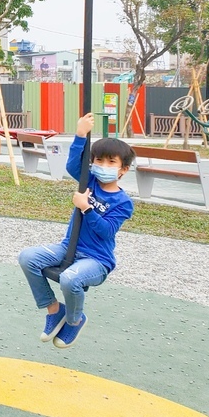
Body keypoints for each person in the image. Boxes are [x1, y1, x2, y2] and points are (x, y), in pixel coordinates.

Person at [18, 112, 135, 349]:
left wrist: (87, 208)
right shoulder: (89, 181)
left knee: (69, 279)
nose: (103, 166)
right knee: (27, 257)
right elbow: (73, 164)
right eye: (99, 161)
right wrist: (80, 135)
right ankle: (54, 309)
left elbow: (106, 232)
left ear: (123, 169)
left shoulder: (123, 203)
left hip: (97, 260)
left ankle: (75, 320)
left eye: (111, 162)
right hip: (67, 248)